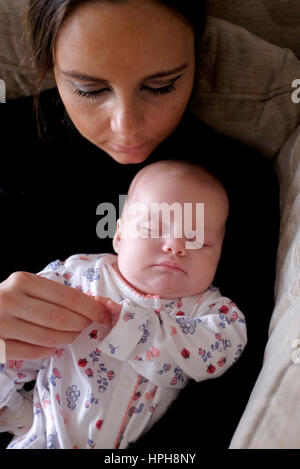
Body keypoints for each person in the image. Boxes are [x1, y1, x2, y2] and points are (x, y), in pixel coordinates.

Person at [0, 0, 279, 449]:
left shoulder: (235, 183)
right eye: (89, 89)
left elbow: (235, 384)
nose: (126, 128)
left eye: (162, 86)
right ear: (50, 63)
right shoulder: (7, 149)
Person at [0, 160, 247, 449]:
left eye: (199, 242)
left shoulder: (208, 311)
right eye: (154, 229)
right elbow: (20, 335)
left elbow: (221, 350)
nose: (176, 246)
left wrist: (139, 330)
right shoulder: (76, 277)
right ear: (119, 235)